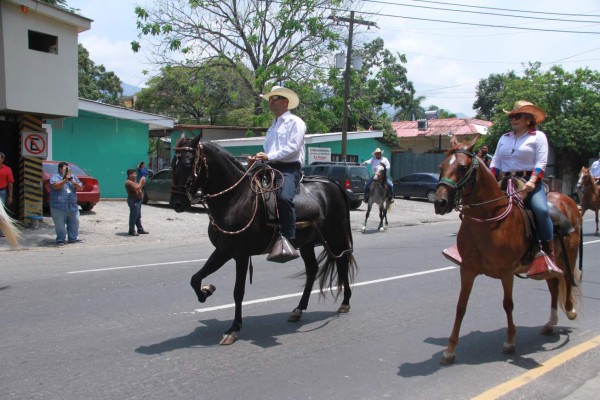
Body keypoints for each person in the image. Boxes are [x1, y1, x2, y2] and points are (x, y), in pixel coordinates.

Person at [489, 100, 557, 269]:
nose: (513, 119)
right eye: (512, 116)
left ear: (528, 119)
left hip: (528, 183)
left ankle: (548, 252)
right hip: (504, 182)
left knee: (541, 210)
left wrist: (532, 182)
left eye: (518, 116)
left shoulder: (538, 137)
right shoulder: (504, 138)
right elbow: (495, 162)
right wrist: (491, 180)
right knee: (478, 205)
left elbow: (541, 162)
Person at [248, 85, 305, 242]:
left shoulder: (295, 122)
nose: (270, 102)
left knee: (284, 197)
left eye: (274, 98)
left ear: (285, 101)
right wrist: (257, 158)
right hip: (269, 166)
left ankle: (289, 238)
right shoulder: (273, 126)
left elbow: (293, 149)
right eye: (269, 99)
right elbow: (268, 151)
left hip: (288, 168)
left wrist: (268, 156)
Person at [49, 162, 84, 246]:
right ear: (60, 169)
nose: (68, 170)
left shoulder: (73, 177)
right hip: (58, 206)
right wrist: (65, 180)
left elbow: (80, 187)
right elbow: (55, 186)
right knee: (60, 225)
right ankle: (60, 239)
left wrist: (73, 181)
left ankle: (73, 238)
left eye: (69, 169)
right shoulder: (55, 177)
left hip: (72, 206)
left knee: (75, 222)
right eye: (66, 169)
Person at [125, 168, 149, 236]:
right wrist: (141, 181)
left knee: (138, 216)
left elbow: (139, 188)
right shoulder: (128, 182)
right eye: (134, 173)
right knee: (133, 216)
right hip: (133, 200)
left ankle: (140, 229)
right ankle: (131, 230)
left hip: (138, 200)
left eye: (135, 173)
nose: (135, 175)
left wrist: (142, 183)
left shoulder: (134, 181)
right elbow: (137, 188)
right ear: (130, 174)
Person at [0, 152, 14, 238]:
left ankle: (1, 231)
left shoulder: (7, 169)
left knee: (1, 213)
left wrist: (10, 196)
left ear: (2, 159)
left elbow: (10, 183)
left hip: (2, 192)